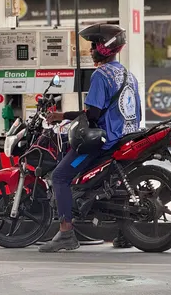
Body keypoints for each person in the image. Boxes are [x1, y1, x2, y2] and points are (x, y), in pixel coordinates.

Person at [38, 23, 142, 253]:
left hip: (105, 141)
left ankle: (66, 232)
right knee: (113, 182)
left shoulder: (101, 75)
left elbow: (93, 114)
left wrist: (61, 116)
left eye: (94, 45)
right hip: (127, 137)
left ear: (105, 47)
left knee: (61, 176)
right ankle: (124, 233)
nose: (91, 50)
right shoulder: (128, 75)